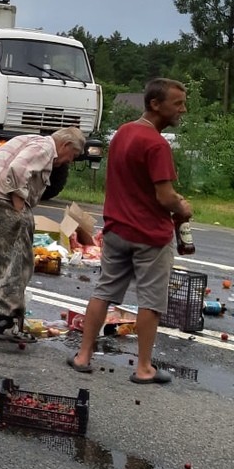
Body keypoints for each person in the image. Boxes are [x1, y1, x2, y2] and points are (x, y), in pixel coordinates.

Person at [69, 78, 191, 383]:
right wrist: (183, 207)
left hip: (116, 230)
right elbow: (164, 197)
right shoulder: (157, 144)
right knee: (151, 301)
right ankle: (144, 368)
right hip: (150, 235)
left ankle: (83, 356)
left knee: (104, 292)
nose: (183, 110)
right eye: (177, 103)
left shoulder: (123, 132)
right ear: (155, 104)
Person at [0, 125, 88, 341]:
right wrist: (19, 206)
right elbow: (19, 168)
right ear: (65, 144)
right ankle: (5, 320)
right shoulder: (45, 147)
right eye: (73, 155)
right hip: (1, 198)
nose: (70, 160)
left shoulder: (28, 139)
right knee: (16, 259)